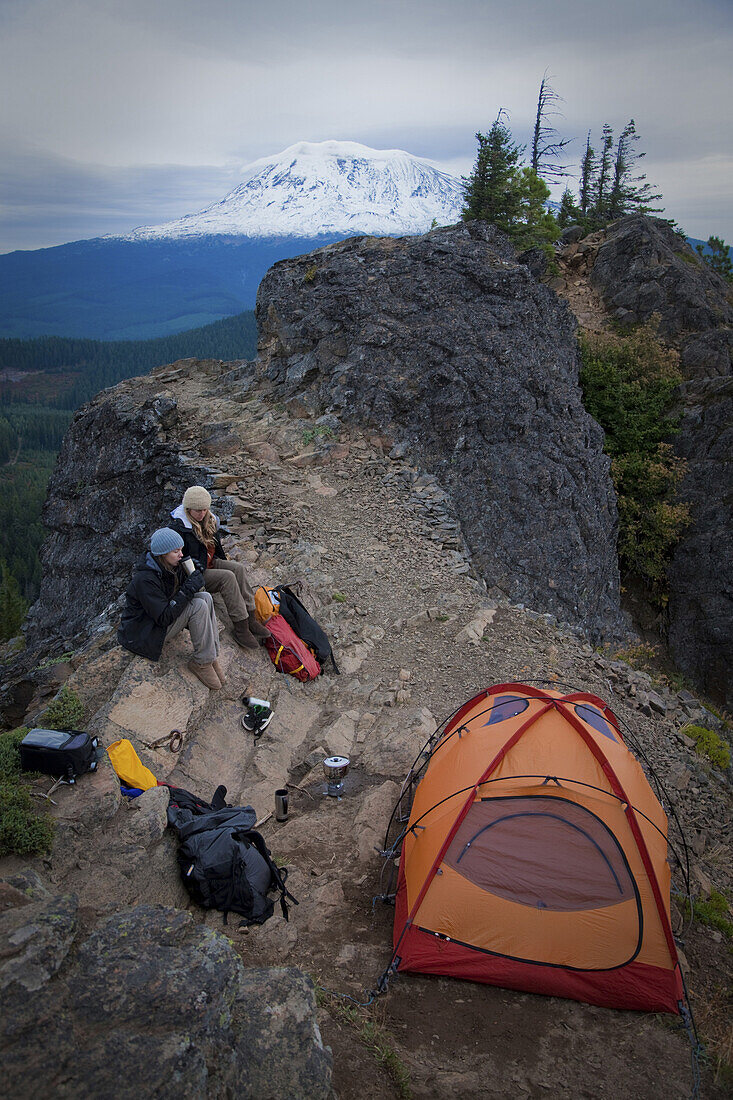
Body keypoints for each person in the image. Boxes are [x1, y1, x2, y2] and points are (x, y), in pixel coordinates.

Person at [117, 527, 224, 690]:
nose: (181, 554)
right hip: (144, 632)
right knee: (198, 605)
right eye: (176, 551)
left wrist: (191, 573)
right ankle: (201, 663)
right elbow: (164, 617)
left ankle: (210, 655)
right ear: (163, 554)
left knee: (206, 597)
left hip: (157, 623)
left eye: (181, 550)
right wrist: (188, 588)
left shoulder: (168, 567)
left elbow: (177, 595)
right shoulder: (145, 579)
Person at [170, 486, 269, 650]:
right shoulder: (180, 529)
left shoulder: (209, 520)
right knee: (227, 577)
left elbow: (216, 548)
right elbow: (177, 560)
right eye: (198, 510)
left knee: (238, 569)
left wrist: (221, 561)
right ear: (188, 509)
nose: (202, 514)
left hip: (210, 561)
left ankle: (251, 617)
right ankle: (241, 627)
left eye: (204, 509)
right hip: (195, 574)